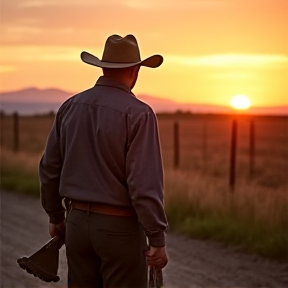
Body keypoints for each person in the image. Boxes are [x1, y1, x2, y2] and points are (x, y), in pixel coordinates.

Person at [39, 34, 168, 288]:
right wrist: (157, 238)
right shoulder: (139, 113)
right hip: (119, 230)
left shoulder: (70, 106)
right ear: (134, 70)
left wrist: (56, 216)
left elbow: (49, 169)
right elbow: (143, 185)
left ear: (103, 67)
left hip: (75, 226)